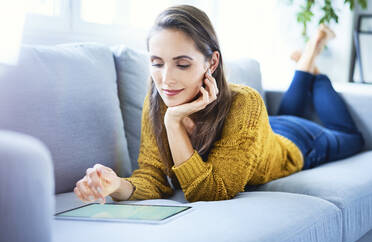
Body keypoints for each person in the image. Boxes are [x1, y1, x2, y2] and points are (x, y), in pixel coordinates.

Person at [74, 5, 365, 204]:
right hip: (260, 133)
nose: (166, 80)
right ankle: (307, 62)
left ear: (211, 62)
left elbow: (211, 191)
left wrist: (174, 123)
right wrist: (117, 187)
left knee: (352, 137)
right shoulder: (157, 99)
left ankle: (314, 65)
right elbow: (153, 176)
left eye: (183, 64)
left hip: (300, 142)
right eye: (157, 63)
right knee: (286, 112)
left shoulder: (245, 102)